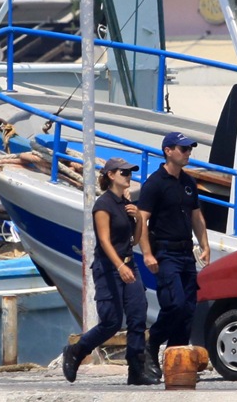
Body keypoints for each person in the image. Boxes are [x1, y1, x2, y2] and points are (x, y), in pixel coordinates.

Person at [62, 158, 158, 386]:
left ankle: (136, 371)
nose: (129, 176)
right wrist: (119, 266)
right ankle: (76, 351)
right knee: (111, 322)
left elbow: (134, 240)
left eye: (130, 172)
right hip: (109, 268)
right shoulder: (103, 205)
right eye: (124, 172)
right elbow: (104, 241)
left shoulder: (125, 203)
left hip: (128, 265)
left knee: (137, 316)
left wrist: (137, 219)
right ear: (111, 175)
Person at [138, 132, 211, 380]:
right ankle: (151, 345)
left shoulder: (188, 182)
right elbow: (142, 219)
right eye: (183, 149)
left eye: (189, 149)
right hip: (166, 252)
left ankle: (175, 359)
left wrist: (205, 244)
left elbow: (196, 216)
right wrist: (147, 253)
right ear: (168, 151)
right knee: (175, 304)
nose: (188, 153)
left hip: (185, 252)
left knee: (189, 309)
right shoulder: (155, 183)